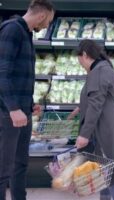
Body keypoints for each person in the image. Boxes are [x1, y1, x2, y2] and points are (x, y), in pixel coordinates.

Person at [0, 0, 54, 199]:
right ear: (41, 16)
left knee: (20, 164)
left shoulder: (26, 33)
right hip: (8, 113)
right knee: (3, 168)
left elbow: (19, 75)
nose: (48, 25)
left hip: (23, 110)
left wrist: (29, 105)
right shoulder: (12, 30)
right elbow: (2, 73)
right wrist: (13, 109)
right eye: (49, 20)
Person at [73, 39, 114, 200]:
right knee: (104, 170)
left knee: (111, 172)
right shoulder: (104, 68)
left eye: (79, 59)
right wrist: (81, 107)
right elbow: (100, 97)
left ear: (84, 55)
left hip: (106, 124)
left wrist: (84, 135)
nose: (79, 63)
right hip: (110, 120)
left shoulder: (98, 71)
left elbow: (96, 104)